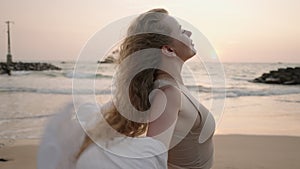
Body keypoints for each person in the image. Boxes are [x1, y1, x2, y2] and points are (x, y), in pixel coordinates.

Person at [37, 8, 215, 169]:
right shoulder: (167, 94)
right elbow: (154, 157)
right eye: (181, 30)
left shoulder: (173, 88)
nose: (189, 32)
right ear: (168, 49)